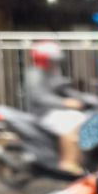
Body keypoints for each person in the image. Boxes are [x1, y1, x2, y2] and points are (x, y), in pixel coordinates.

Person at [25, 41, 89, 174]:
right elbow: (40, 97)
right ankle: (67, 163)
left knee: (81, 119)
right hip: (43, 113)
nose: (54, 63)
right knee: (69, 126)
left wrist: (80, 97)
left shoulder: (52, 72)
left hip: (55, 111)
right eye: (51, 60)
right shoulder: (35, 74)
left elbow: (62, 88)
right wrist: (64, 103)